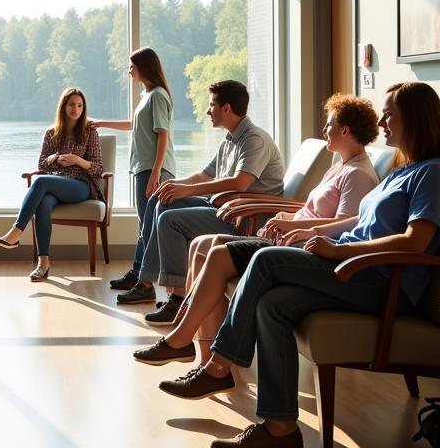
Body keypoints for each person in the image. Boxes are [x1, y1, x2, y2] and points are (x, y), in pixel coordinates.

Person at [159, 82, 440, 448]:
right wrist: (317, 234)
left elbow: (416, 242)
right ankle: (280, 430)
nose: (383, 121)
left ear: (415, 119)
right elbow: (359, 220)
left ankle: (220, 364)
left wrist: (337, 248)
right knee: (273, 305)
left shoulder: (433, 174)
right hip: (352, 270)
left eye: (390, 114)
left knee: (265, 260)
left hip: (380, 282)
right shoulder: (405, 170)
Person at [134, 93, 381, 366]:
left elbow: (344, 224)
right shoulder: (340, 167)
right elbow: (311, 208)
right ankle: (202, 356)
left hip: (299, 246)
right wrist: (287, 215)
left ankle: (192, 345)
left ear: (345, 130)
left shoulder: (358, 174)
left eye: (329, 124)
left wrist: (291, 224)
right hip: (287, 233)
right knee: (201, 245)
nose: (324, 130)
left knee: (213, 250)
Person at [116, 79, 284, 324]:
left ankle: (177, 300)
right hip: (222, 208)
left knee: (170, 220)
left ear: (226, 108)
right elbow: (204, 175)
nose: (208, 110)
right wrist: (175, 185)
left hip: (243, 218)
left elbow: (239, 183)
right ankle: (145, 282)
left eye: (211, 104)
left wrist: (187, 191)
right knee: (159, 201)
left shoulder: (253, 139)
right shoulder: (230, 139)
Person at [0, 87, 105, 281]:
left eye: (80, 105)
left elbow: (97, 168)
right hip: (55, 185)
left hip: (80, 186)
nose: (75, 109)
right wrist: (55, 158)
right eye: (72, 104)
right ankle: (43, 264)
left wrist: (76, 160)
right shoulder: (51, 132)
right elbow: (41, 164)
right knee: (43, 203)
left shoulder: (90, 131)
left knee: (40, 181)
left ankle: (16, 231)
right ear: (63, 106)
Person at [92, 47, 177, 291]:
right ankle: (138, 275)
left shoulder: (158, 95)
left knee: (148, 224)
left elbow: (162, 135)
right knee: (145, 223)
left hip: (153, 170)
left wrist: (155, 173)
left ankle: (142, 281)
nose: (129, 70)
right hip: (145, 168)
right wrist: (101, 123)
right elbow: (133, 124)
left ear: (143, 67)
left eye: (132, 66)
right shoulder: (148, 96)